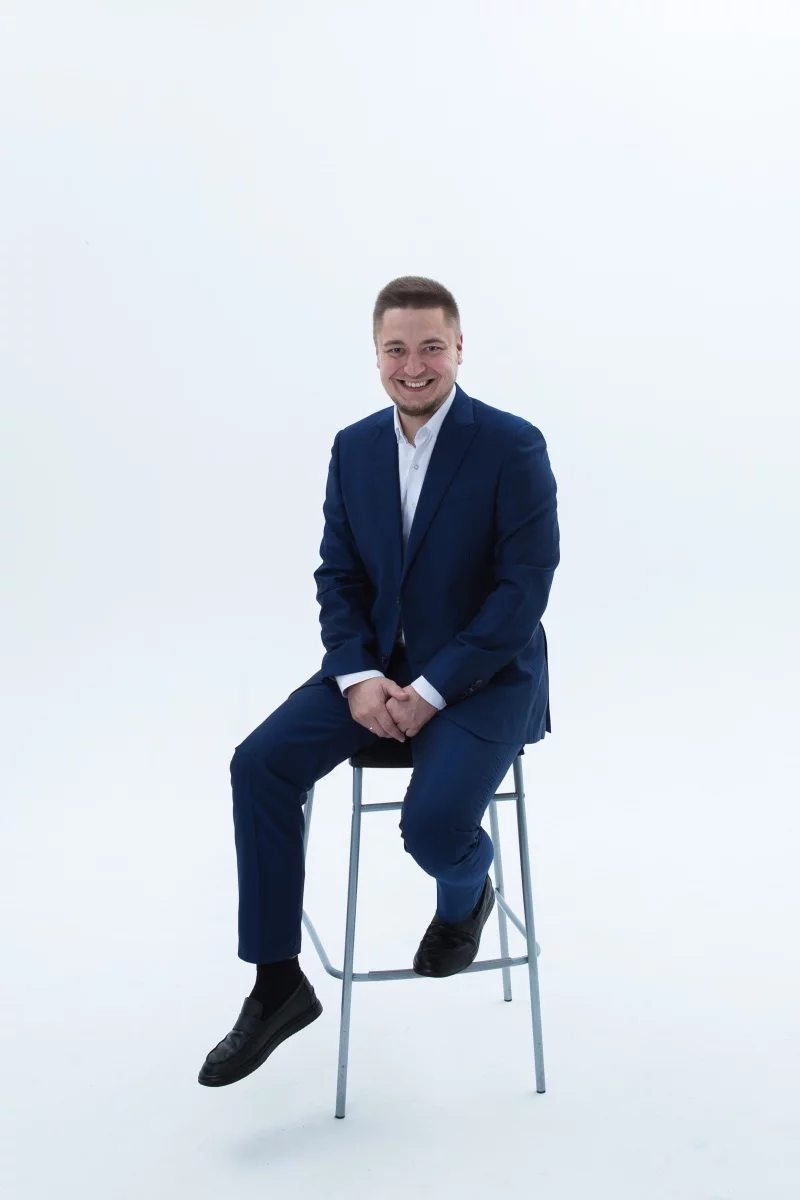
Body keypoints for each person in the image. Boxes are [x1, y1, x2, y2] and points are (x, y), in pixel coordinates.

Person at [198, 275, 560, 1088]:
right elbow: (340, 576)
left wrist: (430, 691)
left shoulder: (513, 445)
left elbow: (522, 591)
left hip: (485, 677)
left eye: (431, 346)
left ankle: (467, 896)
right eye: (397, 349)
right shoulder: (354, 446)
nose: (414, 365)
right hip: (375, 671)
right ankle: (277, 983)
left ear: (459, 347)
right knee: (260, 764)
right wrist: (359, 675)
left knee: (434, 829)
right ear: (376, 355)